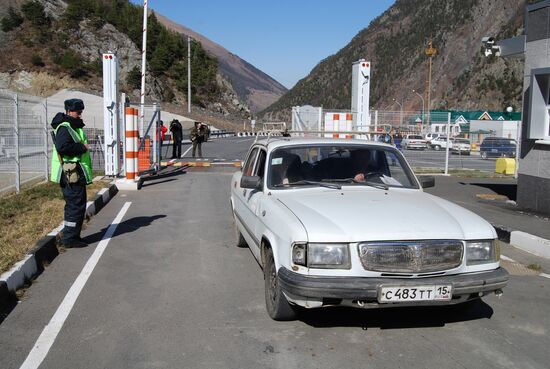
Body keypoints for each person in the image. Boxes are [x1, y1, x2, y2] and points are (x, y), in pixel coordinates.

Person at [50, 98, 92, 248]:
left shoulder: (72, 126)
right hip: (70, 171)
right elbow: (63, 147)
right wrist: (83, 147)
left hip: (73, 170)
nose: (80, 115)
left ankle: (73, 235)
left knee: (77, 204)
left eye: (81, 112)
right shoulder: (65, 127)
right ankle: (69, 239)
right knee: (75, 204)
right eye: (78, 112)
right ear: (69, 111)